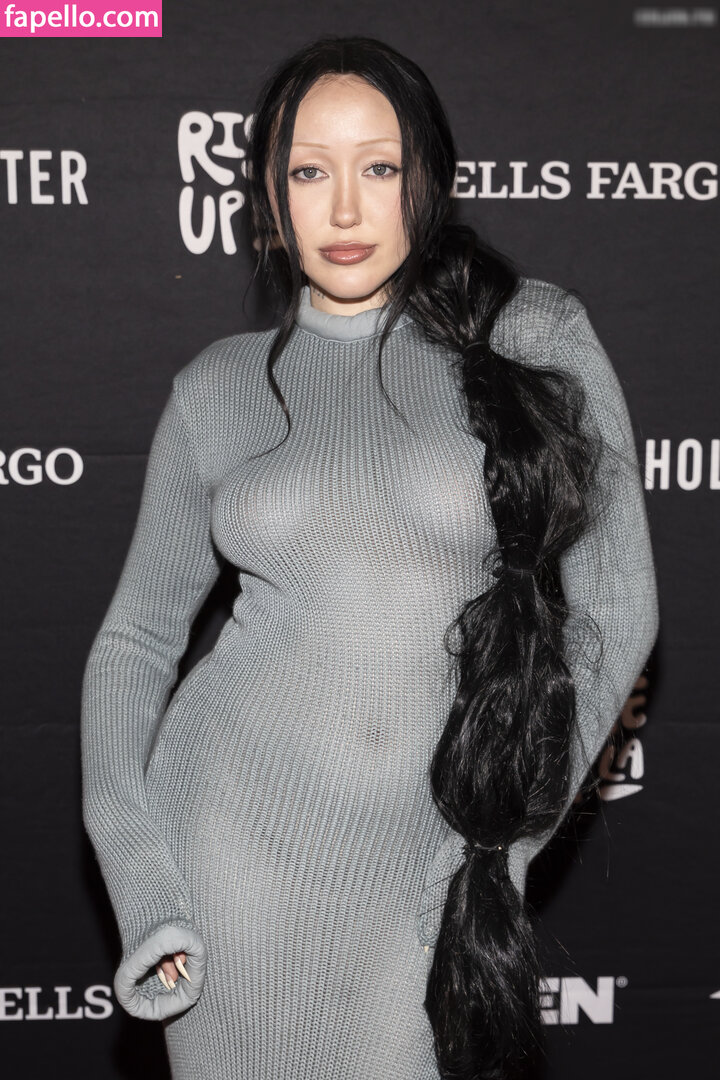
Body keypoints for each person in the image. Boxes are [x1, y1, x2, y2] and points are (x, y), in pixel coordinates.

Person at [80, 34, 659, 1080]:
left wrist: (507, 836)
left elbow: (618, 610)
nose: (345, 208)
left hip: (428, 869)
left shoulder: (533, 335)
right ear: (269, 194)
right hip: (225, 859)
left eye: (379, 167)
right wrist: (143, 880)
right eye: (309, 172)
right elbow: (135, 642)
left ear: (427, 178)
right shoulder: (219, 387)